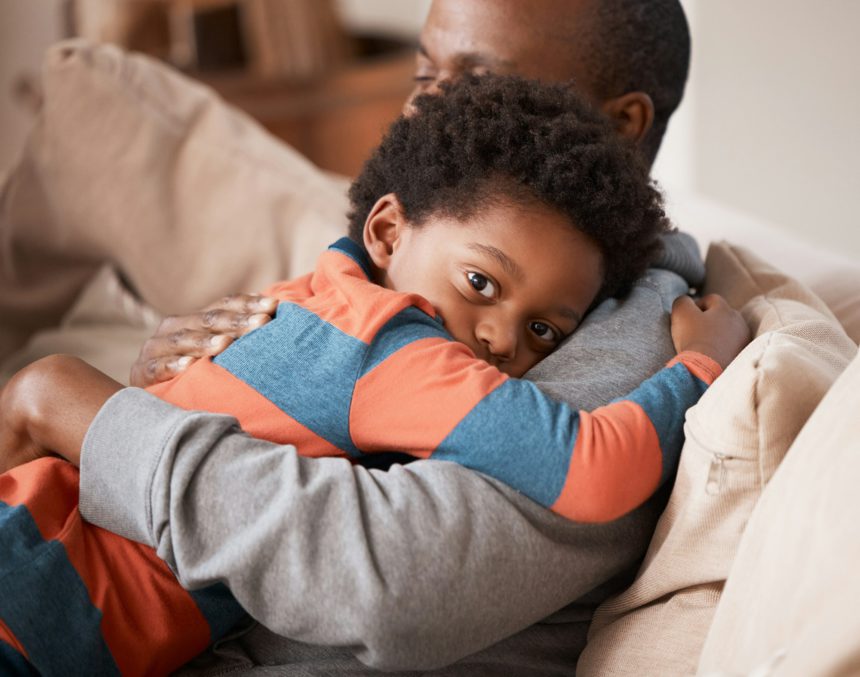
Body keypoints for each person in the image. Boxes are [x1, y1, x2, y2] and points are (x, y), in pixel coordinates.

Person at [0, 1, 706, 674]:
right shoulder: (405, 280)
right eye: (425, 75)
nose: (428, 108)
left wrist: (103, 422)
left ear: (622, 122)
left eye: (480, 77)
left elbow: (400, 588)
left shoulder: (635, 334)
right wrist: (174, 387)